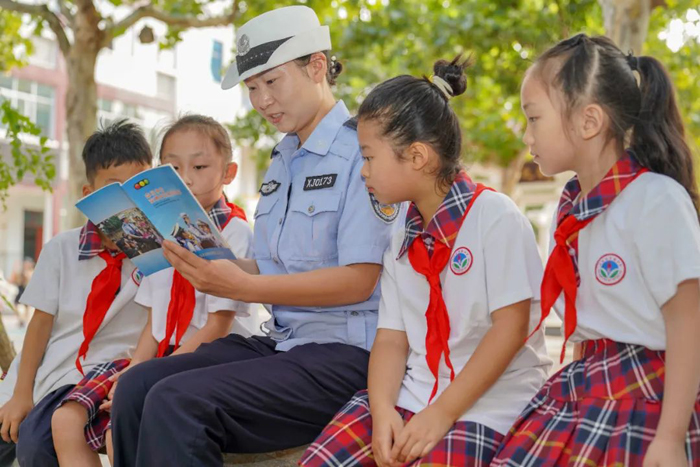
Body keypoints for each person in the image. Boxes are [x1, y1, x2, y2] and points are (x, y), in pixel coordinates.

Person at [110, 6, 395, 466]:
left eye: (272, 82)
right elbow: (271, 265)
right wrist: (202, 260)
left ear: (317, 65)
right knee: (137, 388)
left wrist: (242, 285)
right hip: (284, 343)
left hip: (348, 355)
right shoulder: (283, 158)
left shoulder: (360, 150)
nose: (261, 100)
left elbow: (360, 279)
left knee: (176, 400)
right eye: (252, 87)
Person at [300, 56, 551, 467]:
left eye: (368, 157)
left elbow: (510, 328)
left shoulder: (496, 218)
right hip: (414, 395)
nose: (362, 172)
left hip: (489, 403)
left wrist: (441, 414)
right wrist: (381, 412)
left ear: (416, 157)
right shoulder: (403, 234)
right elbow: (392, 338)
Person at [490, 34, 700, 467]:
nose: (527, 136)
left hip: (649, 394)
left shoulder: (655, 199)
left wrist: (670, 438)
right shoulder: (568, 210)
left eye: (534, 118)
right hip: (586, 384)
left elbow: (689, 322)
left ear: (589, 121)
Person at [88, 114, 258, 464]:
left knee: (152, 405)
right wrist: (134, 370)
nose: (186, 179)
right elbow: (156, 322)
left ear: (228, 173)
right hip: (170, 353)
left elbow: (218, 326)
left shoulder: (235, 232)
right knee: (116, 421)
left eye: (199, 167)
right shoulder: (153, 234)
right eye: (173, 168)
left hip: (215, 355)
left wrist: (149, 373)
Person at [0, 120, 152, 467]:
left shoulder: (158, 254)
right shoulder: (62, 249)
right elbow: (39, 326)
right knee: (20, 435)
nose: (128, 199)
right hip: (54, 373)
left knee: (42, 441)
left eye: (139, 186)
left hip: (111, 376)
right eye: (116, 189)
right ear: (88, 195)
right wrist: (22, 393)